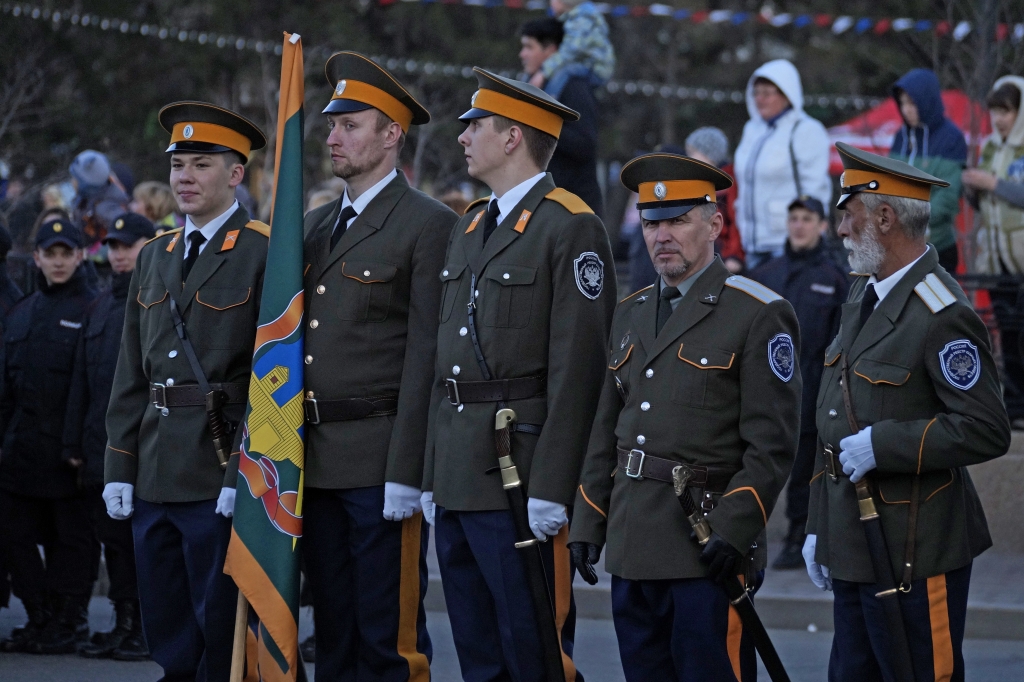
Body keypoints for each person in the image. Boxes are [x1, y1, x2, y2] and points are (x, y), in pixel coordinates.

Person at [568, 153, 802, 681]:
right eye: (652, 223)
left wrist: (734, 530)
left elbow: (772, 445)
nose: (661, 236)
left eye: (677, 220)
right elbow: (607, 426)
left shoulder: (757, 312)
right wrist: (588, 518)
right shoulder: (630, 312)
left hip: (706, 545)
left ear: (715, 224)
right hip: (633, 544)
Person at [422, 68, 616, 681]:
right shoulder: (473, 222)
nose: (463, 138)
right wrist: (430, 473)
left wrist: (555, 488)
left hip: (519, 475)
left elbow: (580, 371)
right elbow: (445, 359)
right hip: (458, 471)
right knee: (478, 653)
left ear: (513, 137)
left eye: (475, 126)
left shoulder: (570, 224)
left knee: (533, 650)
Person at [805, 143, 1011, 682]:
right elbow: (832, 416)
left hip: (916, 547)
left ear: (885, 217)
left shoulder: (942, 313)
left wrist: (885, 444)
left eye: (848, 216)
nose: (841, 230)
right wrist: (817, 526)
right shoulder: (862, 295)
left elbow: (985, 428)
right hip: (855, 540)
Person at [300, 51, 458, 680]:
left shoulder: (429, 224)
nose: (334, 137)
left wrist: (408, 470)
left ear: (393, 134)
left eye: (352, 125)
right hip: (313, 456)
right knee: (332, 631)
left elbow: (426, 352)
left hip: (379, 461)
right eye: (332, 125)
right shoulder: (313, 227)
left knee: (388, 637)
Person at [102, 101, 269, 681]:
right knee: (167, 618)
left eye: (201, 164)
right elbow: (130, 373)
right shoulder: (154, 254)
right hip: (154, 464)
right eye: (178, 166)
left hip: (216, 462)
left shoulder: (264, 251)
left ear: (235, 173)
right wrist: (119, 466)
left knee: (220, 623)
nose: (185, 178)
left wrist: (241, 474)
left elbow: (267, 378)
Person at [0, 218, 98, 654]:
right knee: (15, 536)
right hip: (21, 452)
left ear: (80, 256)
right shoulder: (21, 311)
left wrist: (81, 447)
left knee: (71, 543)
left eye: (66, 253)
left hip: (68, 454)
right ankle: (38, 613)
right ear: (36, 257)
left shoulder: (94, 310)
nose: (58, 262)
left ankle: (67, 620)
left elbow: (93, 386)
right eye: (50, 254)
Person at [62, 212, 155, 660]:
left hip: (139, 444)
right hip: (100, 446)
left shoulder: (156, 298)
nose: (119, 255)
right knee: (112, 542)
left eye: (128, 246)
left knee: (135, 545)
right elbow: (82, 380)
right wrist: (74, 443)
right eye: (114, 247)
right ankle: (123, 624)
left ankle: (143, 628)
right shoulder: (99, 305)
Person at [749, 196, 848, 569]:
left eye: (807, 218)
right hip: (763, 393)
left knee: (806, 468)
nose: (799, 225)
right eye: (793, 218)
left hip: (810, 392)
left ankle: (797, 538)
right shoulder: (766, 274)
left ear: (823, 225)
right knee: (757, 461)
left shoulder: (835, 277)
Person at [963, 77, 1024, 426]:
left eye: (1007, 111)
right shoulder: (989, 147)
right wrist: (972, 187)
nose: (999, 119)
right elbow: (982, 201)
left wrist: (993, 184)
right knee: (1008, 335)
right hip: (998, 259)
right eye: (995, 111)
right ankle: (1015, 407)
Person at [734, 59, 832, 270]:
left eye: (767, 93)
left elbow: (816, 190)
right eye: (756, 92)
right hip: (751, 244)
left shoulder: (806, 130)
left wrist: (808, 233)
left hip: (787, 244)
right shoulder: (752, 129)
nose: (760, 99)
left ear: (787, 94)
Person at [520, 17, 604, 216]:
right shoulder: (532, 84)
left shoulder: (574, 87)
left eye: (529, 47)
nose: (522, 54)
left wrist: (539, 121)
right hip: (542, 204)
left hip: (573, 209)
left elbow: (585, 144)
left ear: (550, 50)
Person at [890, 69, 967, 273]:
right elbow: (887, 182)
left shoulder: (951, 139)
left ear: (927, 101)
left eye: (912, 103)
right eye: (903, 103)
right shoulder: (901, 137)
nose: (906, 110)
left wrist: (911, 218)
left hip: (937, 247)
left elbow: (948, 195)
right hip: (898, 246)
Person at [527, 0, 615, 98]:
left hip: (597, 68)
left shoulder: (581, 20)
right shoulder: (573, 18)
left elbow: (570, 51)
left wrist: (544, 72)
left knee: (564, 71)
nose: (551, 3)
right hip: (587, 64)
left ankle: (548, 101)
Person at [685, 127, 744, 272]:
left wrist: (734, 256)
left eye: (693, 153)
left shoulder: (729, 183)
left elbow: (736, 222)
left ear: (710, 154)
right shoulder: (701, 182)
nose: (690, 158)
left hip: (725, 258)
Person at [69, 150, 130, 246]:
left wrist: (94, 252)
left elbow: (123, 238)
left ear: (86, 186)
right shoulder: (86, 201)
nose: (72, 182)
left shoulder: (106, 209)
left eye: (75, 178)